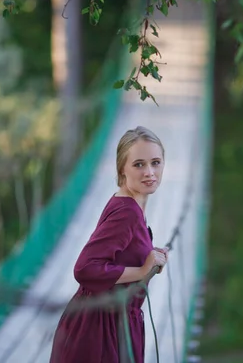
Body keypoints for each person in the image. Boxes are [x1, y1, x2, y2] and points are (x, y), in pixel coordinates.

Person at [49, 126, 169, 363]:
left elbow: (120, 252)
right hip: (100, 333)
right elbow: (85, 269)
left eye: (155, 162)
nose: (149, 172)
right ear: (121, 168)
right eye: (139, 164)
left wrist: (150, 257)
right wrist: (142, 270)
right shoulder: (127, 212)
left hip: (105, 323)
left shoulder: (129, 205)